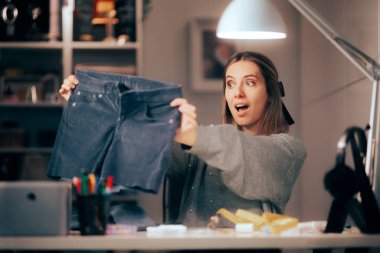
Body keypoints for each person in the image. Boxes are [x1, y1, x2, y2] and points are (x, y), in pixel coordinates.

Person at [59, 51, 307, 228]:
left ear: (271, 95)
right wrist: (88, 106)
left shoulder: (288, 150)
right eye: (230, 84)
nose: (237, 92)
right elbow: (147, 148)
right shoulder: (201, 143)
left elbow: (242, 150)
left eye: (249, 83)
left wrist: (191, 134)